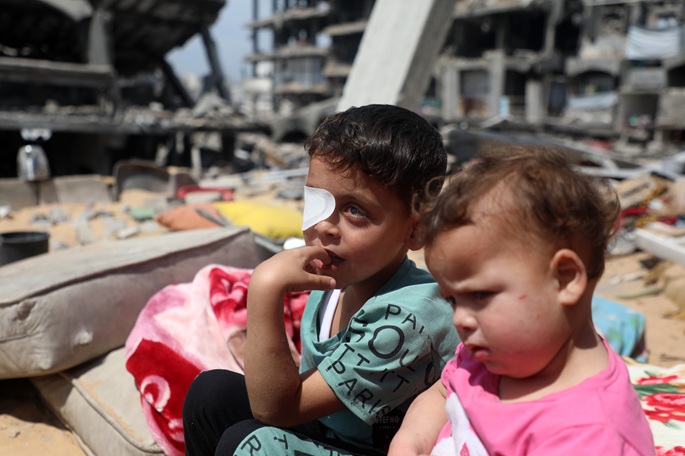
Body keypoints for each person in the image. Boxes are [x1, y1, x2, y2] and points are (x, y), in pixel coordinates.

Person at [182, 104, 460, 456]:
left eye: (354, 210)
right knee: (212, 395)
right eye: (318, 200)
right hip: (332, 431)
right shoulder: (331, 283)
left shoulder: (409, 319)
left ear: (416, 230)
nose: (325, 225)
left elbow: (275, 409)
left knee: (250, 443)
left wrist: (264, 288)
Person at [389, 146, 655, 455]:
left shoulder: (589, 435)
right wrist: (410, 444)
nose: (459, 319)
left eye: (480, 295)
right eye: (453, 300)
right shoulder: (496, 355)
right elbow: (443, 393)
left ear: (565, 279)